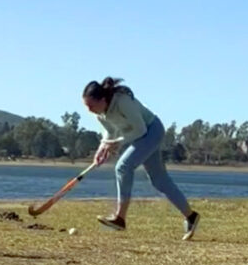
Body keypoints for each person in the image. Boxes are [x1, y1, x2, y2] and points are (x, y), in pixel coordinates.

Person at [83, 77, 200, 240]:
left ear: (102, 99)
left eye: (91, 105)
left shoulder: (122, 102)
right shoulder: (101, 114)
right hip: (140, 135)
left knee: (123, 167)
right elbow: (110, 133)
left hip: (151, 130)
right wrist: (101, 149)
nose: (89, 110)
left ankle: (120, 218)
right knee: (159, 181)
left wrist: (116, 143)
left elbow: (140, 130)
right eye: (86, 106)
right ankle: (191, 216)